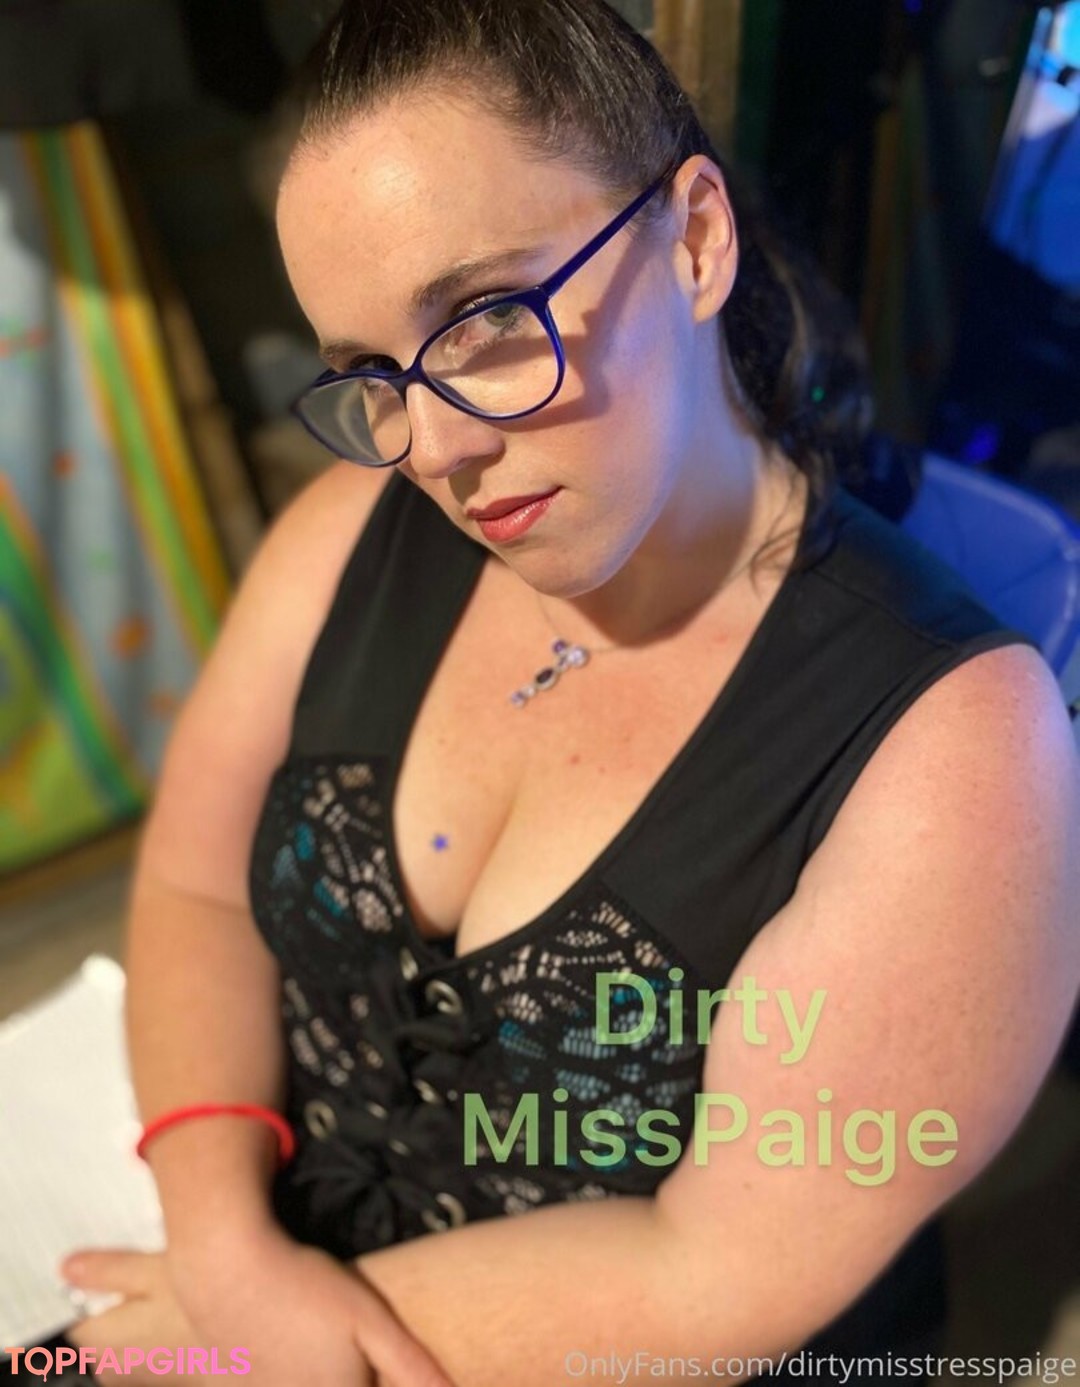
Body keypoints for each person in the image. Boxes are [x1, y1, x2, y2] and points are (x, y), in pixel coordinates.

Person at [55, 2, 1079, 1384]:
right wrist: (226, 1242)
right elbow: (195, 891)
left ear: (696, 239)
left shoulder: (959, 750)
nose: (435, 448)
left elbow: (717, 1270)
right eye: (370, 375)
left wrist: (239, 1334)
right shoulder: (355, 529)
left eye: (485, 320)